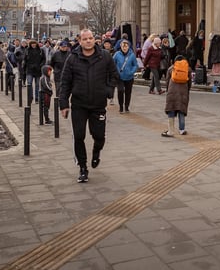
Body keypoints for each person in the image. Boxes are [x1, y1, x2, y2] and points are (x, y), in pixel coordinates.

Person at [58, 29, 119, 183]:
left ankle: (96, 151)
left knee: (99, 136)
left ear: (94, 39)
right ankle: (83, 167)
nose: (88, 41)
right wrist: (63, 104)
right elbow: (65, 82)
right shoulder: (73, 58)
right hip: (79, 105)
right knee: (79, 136)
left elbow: (114, 75)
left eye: (91, 38)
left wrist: (108, 91)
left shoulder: (104, 56)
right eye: (85, 39)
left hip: (98, 104)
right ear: (80, 41)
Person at [162, 55, 192, 137]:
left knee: (171, 110)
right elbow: (189, 82)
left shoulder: (171, 69)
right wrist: (187, 90)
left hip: (172, 92)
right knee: (181, 111)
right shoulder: (188, 69)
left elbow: (167, 81)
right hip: (183, 92)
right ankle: (182, 130)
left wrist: (168, 90)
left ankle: (171, 131)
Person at [113, 39, 138, 113]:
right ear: (120, 47)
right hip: (120, 77)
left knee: (128, 92)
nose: (124, 48)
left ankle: (126, 106)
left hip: (129, 77)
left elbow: (135, 65)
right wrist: (115, 72)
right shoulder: (117, 54)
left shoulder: (132, 55)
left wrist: (132, 72)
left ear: (128, 47)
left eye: (126, 46)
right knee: (120, 91)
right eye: (123, 46)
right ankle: (121, 106)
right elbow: (113, 63)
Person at [24, 39, 44, 103]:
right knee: (29, 84)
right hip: (29, 69)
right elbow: (24, 59)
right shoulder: (27, 50)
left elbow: (44, 59)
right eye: (32, 44)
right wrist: (24, 67)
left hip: (38, 70)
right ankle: (30, 97)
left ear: (36, 44)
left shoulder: (40, 50)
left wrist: (41, 65)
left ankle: (37, 98)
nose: (33, 45)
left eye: (34, 43)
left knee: (37, 85)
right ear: (30, 44)